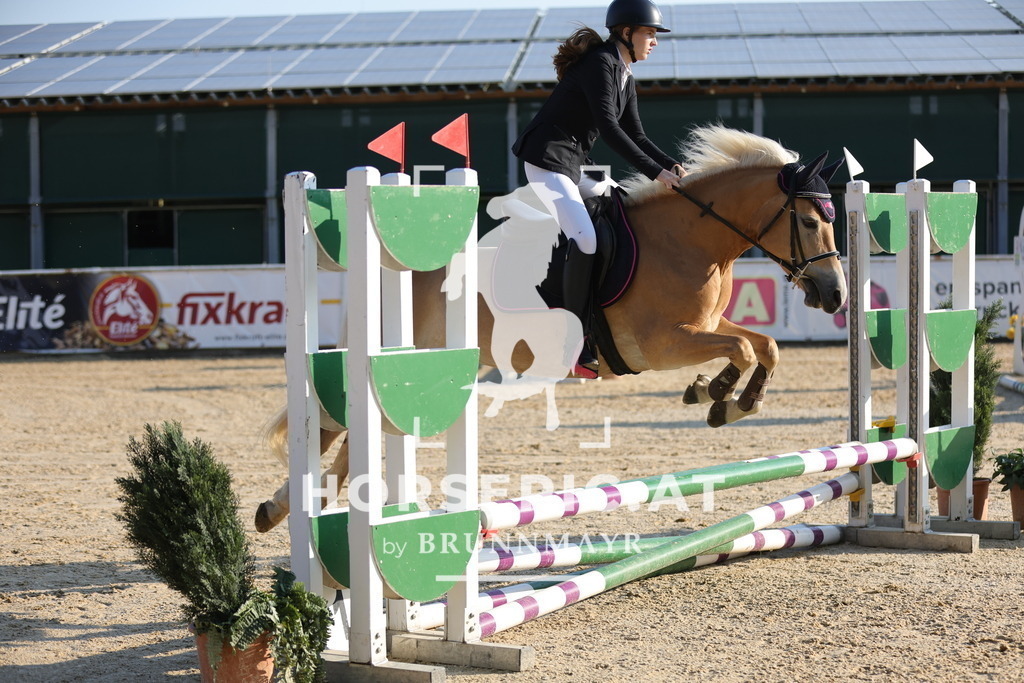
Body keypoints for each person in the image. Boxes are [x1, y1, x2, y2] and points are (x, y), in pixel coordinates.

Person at [512, 0, 686, 377]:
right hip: (546, 160)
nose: (654, 41)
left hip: (573, 165)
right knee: (586, 238)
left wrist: (672, 165)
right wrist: (656, 173)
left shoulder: (625, 74)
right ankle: (574, 340)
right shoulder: (601, 64)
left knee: (623, 208)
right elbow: (609, 128)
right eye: (649, 34)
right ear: (626, 32)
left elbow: (637, 134)